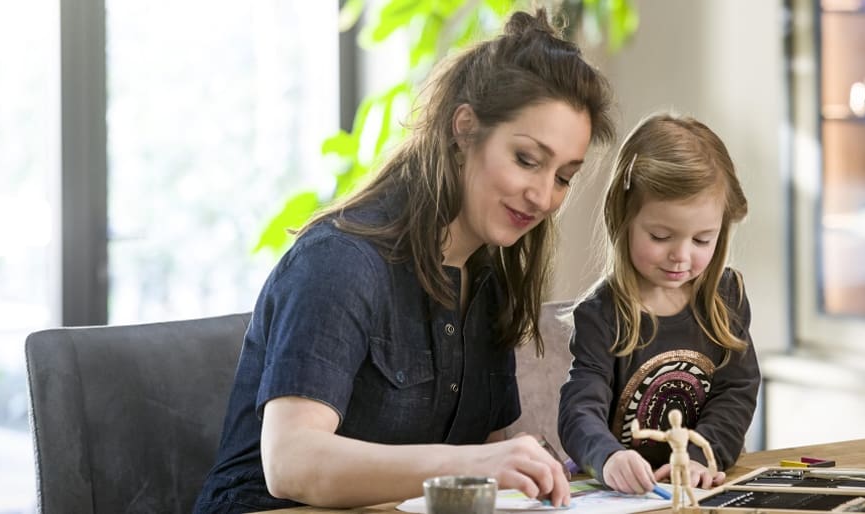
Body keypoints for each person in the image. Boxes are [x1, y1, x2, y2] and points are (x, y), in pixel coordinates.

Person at [193, 9, 615, 513]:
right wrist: (473, 465)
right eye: (527, 159)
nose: (544, 196)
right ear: (465, 129)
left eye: (564, 177)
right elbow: (291, 462)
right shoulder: (341, 262)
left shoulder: (488, 283)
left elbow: (490, 462)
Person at [557, 112, 759, 497]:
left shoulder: (726, 296)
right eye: (661, 236)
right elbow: (579, 410)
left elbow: (736, 392)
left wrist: (702, 456)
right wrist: (608, 459)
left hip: (697, 486)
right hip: (624, 494)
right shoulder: (601, 314)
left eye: (702, 240)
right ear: (623, 218)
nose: (681, 255)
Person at [630, 409, 717, 509]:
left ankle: (676, 505)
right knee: (687, 484)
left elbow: (651, 434)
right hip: (684, 458)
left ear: (670, 420)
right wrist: (711, 461)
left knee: (676, 485)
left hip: (676, 459)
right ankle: (693, 503)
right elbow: (705, 444)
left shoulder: (669, 434)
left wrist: (636, 432)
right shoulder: (686, 433)